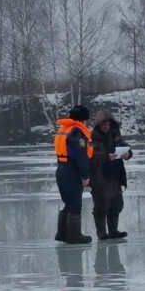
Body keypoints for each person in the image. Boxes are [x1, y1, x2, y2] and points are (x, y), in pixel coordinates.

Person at [88, 109, 133, 240]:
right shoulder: (91, 137)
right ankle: (101, 232)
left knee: (116, 204)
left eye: (108, 124)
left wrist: (127, 154)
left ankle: (113, 231)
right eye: (103, 124)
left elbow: (127, 147)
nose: (106, 127)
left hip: (116, 174)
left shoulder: (116, 135)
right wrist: (106, 156)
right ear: (98, 125)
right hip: (100, 176)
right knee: (101, 205)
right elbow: (89, 156)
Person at [54, 105, 93, 244]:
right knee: (75, 203)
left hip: (61, 169)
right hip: (72, 171)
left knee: (69, 202)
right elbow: (80, 156)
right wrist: (86, 175)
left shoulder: (64, 129)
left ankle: (62, 233)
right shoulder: (77, 133)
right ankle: (74, 236)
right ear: (84, 120)